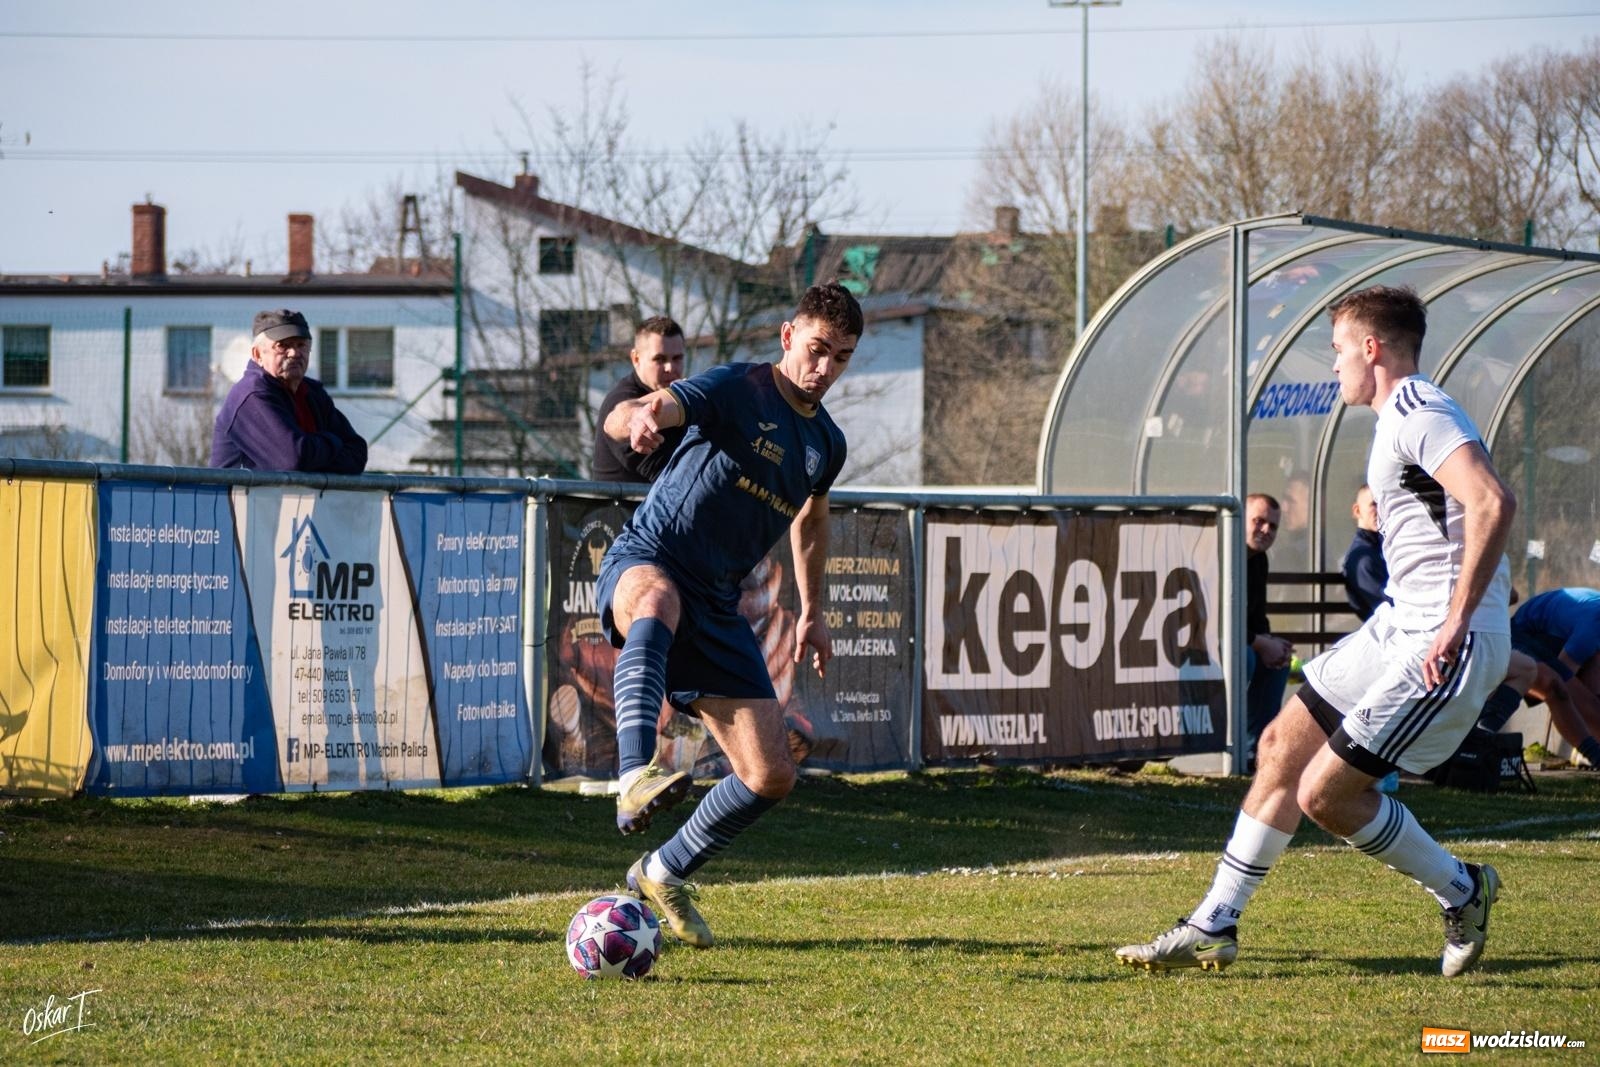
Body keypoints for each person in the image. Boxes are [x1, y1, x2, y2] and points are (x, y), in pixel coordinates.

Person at [1116, 284, 1515, 977]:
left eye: (1337, 351)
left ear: (1371, 348)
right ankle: (1216, 921)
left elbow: (1492, 500)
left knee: (1324, 795)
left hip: (1445, 638)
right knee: (1279, 744)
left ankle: (1462, 887)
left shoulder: (1419, 407)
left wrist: (1455, 617)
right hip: (1401, 624)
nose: (1333, 367)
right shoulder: (1399, 417)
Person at [594, 282, 862, 948]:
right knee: (656, 600)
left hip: (717, 602)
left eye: (842, 357)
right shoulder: (738, 388)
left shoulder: (826, 443)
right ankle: (633, 776)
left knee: (772, 772)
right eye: (817, 349)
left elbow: (811, 519)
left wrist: (813, 611)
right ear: (787, 336)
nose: (824, 368)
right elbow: (641, 410)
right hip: (650, 557)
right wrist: (636, 419)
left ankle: (662, 868)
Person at [211, 309, 367, 473]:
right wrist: (333, 441)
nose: (294, 353)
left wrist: (310, 449)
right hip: (241, 499)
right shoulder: (252, 395)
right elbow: (293, 460)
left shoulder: (312, 393)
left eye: (301, 345)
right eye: (283, 346)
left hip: (296, 498)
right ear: (257, 354)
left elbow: (358, 454)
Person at [1478, 588, 1600, 769]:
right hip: (1522, 633)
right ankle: (1476, 742)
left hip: (1550, 631)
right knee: (1556, 687)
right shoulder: (1592, 628)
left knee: (1573, 690)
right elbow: (1564, 682)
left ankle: (1592, 751)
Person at [592, 316, 688, 484]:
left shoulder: (678, 397)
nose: (670, 367)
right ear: (636, 358)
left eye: (677, 358)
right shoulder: (622, 403)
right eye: (659, 359)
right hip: (624, 509)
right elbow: (667, 475)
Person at [1244, 493, 1294, 750]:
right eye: (1258, 521)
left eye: (1273, 526)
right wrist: (1260, 644)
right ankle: (1229, 744)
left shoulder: (1259, 560)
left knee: (1278, 663)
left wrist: (1272, 644)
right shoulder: (1221, 553)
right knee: (1246, 658)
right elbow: (1214, 621)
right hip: (1206, 644)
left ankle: (1255, 750)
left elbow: (1256, 616)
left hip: (1242, 640)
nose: (1266, 530)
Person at [1341, 484, 1390, 621]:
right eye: (1373, 504)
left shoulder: (1384, 547)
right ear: (1357, 511)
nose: (1380, 510)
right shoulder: (1362, 559)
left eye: (1383, 504)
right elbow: (1385, 607)